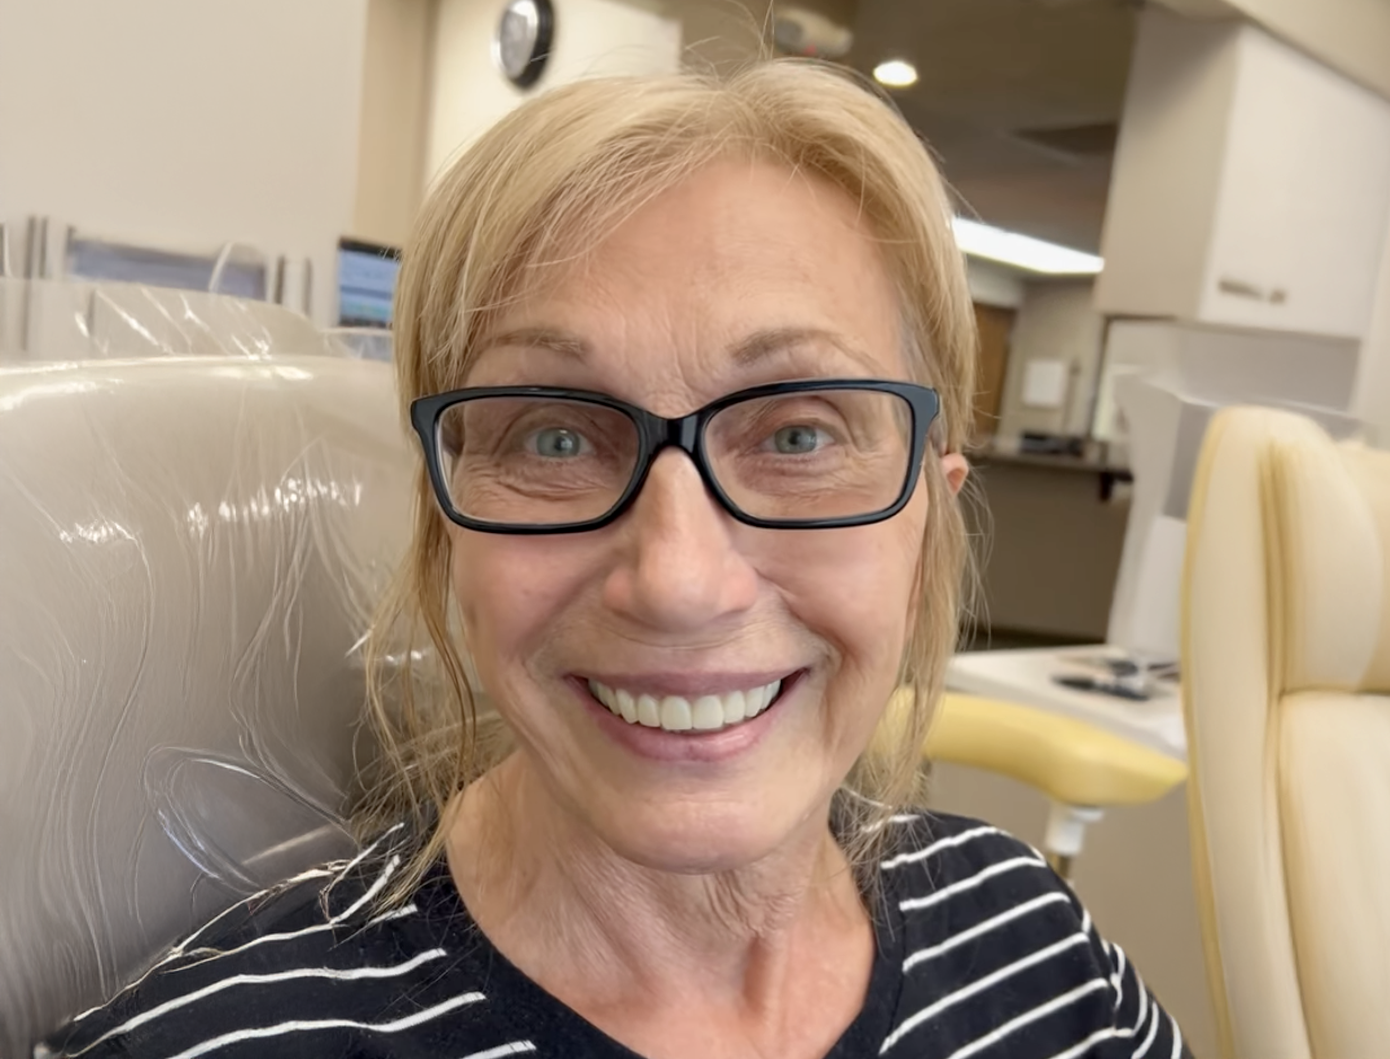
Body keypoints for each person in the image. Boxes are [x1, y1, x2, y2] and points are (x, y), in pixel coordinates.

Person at [47, 61, 1188, 1058]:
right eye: (554, 434)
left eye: (796, 433)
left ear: (927, 519)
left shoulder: (1040, 949)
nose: (681, 581)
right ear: (448, 530)